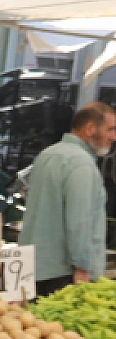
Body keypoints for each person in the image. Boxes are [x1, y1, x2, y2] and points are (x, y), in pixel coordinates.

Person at [19, 101, 116, 297]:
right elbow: (79, 222)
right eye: (110, 129)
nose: (113, 137)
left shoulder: (48, 154)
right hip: (64, 276)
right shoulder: (81, 164)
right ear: (90, 128)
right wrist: (82, 269)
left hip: (34, 268)